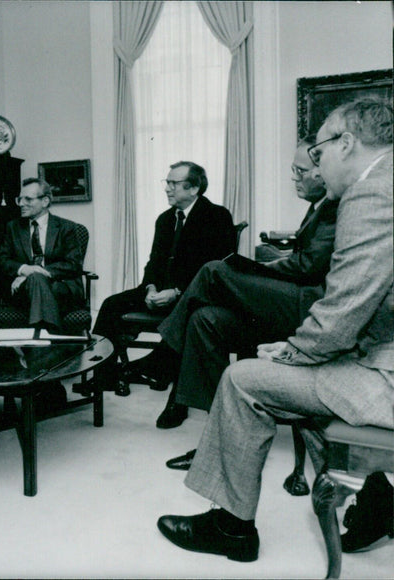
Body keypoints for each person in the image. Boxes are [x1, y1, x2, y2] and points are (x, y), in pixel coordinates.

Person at [157, 98, 393, 563]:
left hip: (383, 370)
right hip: (374, 347)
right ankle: (379, 498)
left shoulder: (373, 192)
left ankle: (232, 528)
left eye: (319, 154)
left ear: (346, 143)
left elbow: (344, 306)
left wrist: (294, 351)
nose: (317, 167)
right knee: (210, 318)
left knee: (244, 378)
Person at [145, 138, 339, 445]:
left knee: (213, 270)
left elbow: (308, 267)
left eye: (299, 170)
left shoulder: (334, 206)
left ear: (322, 170)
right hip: (297, 295)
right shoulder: (319, 207)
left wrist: (256, 268)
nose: (293, 176)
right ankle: (222, 431)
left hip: (309, 304)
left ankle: (164, 355)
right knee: (204, 318)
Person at [91, 161, 235, 395]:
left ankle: (160, 371)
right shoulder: (165, 219)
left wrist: (177, 291)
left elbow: (216, 270)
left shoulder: (217, 216)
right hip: (158, 290)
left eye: (173, 183)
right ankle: (104, 375)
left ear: (193, 188)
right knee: (110, 305)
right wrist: (150, 288)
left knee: (191, 312)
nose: (167, 188)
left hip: (193, 294)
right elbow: (153, 262)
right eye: (166, 182)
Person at [0, 177, 85, 332]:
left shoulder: (66, 227)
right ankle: (48, 335)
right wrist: (25, 269)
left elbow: (73, 264)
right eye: (20, 199)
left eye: (28, 199)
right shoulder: (13, 227)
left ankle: (39, 334)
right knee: (36, 278)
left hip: (60, 287)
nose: (21, 204)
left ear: (45, 201)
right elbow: (2, 260)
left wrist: (37, 271)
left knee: (37, 278)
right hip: (24, 292)